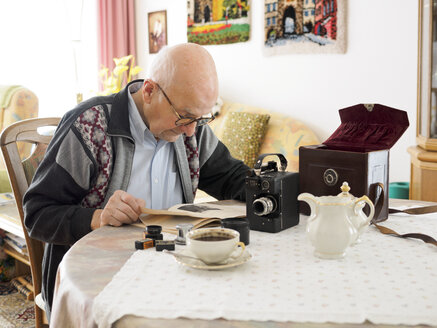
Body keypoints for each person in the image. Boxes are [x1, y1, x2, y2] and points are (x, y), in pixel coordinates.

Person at [23, 43, 248, 318]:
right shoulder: (88, 127)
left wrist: (277, 189)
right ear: (150, 91)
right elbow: (37, 214)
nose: (191, 131)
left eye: (200, 118)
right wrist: (100, 218)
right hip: (97, 280)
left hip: (174, 271)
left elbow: (233, 178)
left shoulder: (191, 131)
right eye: (184, 117)